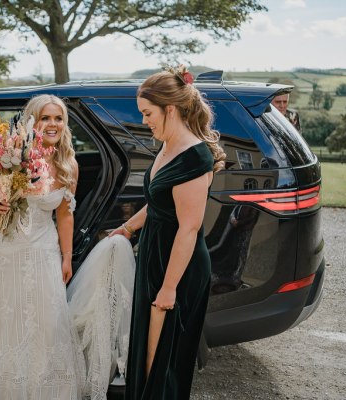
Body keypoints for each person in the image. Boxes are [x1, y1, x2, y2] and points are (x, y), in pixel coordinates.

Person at [110, 66, 226, 399]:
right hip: (155, 255)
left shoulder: (193, 157)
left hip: (177, 267)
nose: (145, 120)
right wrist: (127, 228)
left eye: (148, 113)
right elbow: (158, 203)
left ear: (169, 109)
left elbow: (189, 229)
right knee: (146, 352)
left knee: (161, 360)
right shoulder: (166, 145)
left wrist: (169, 288)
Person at [0, 94, 84, 399]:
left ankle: (46, 389)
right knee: (8, 321)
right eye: (45, 118)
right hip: (2, 248)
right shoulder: (11, 152)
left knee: (48, 320)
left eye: (58, 118)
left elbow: (65, 215)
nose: (52, 124)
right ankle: (12, 388)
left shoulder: (68, 164)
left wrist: (66, 258)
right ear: (32, 122)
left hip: (43, 249)